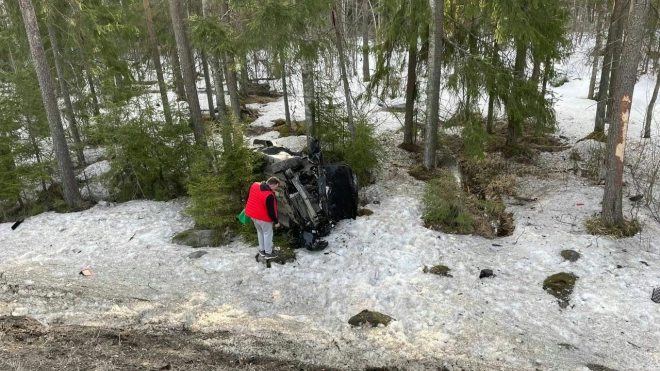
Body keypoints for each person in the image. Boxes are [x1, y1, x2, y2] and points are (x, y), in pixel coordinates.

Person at [244, 177, 281, 259]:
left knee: (260, 232)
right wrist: (276, 222)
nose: (276, 188)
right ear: (272, 185)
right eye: (276, 186)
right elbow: (271, 211)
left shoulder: (255, 185)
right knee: (268, 234)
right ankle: (268, 253)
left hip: (253, 215)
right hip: (263, 218)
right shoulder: (269, 195)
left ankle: (262, 250)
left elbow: (248, 196)